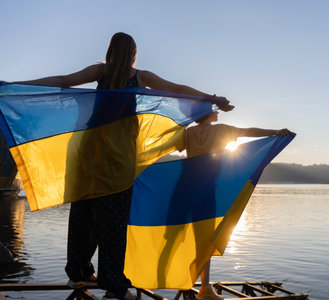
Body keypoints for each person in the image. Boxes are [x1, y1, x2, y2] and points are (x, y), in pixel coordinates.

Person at [14, 32, 233, 300]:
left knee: (84, 214)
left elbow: (63, 82)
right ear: (133, 54)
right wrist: (213, 98)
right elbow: (177, 89)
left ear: (110, 52)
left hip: (88, 155)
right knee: (113, 221)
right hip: (117, 159)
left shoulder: (99, 71)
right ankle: (115, 286)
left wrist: (16, 85)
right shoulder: (140, 76)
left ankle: (78, 273)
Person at [181, 110, 294, 300]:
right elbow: (248, 131)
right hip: (208, 191)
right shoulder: (221, 130)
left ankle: (189, 281)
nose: (217, 111)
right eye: (213, 108)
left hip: (188, 190)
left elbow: (168, 144)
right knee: (206, 238)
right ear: (208, 114)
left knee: (194, 237)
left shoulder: (188, 133)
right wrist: (276, 132)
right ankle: (205, 288)